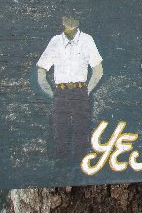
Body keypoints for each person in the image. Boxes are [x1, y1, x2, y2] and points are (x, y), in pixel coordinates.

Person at [37, 16, 103, 159]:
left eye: (74, 18)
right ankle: (62, 165)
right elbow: (41, 70)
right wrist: (53, 93)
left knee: (81, 130)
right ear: (62, 21)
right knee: (60, 130)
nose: (70, 21)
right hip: (60, 92)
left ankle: (81, 164)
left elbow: (98, 70)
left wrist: (86, 91)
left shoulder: (87, 40)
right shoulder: (55, 41)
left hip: (80, 91)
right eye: (67, 18)